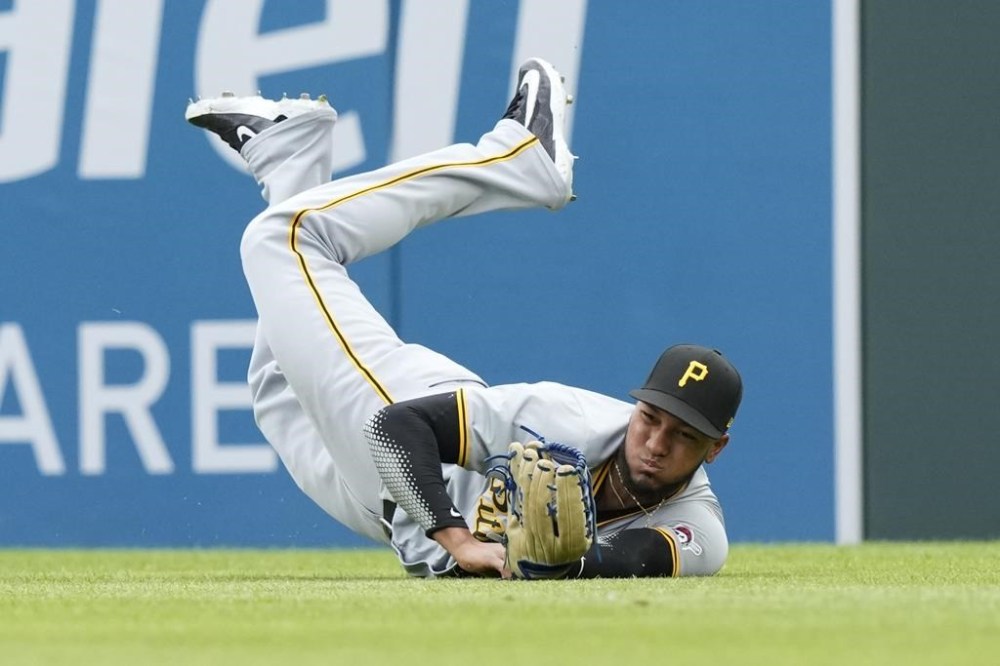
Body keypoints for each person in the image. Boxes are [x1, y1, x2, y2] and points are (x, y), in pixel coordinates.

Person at [186, 57, 743, 579]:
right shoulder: (566, 420)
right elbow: (396, 427)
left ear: (714, 448)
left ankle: (291, 157)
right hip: (396, 416)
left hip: (387, 508)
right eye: (651, 417)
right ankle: (518, 161)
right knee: (283, 239)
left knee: (272, 385)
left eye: (683, 435)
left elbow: (631, 558)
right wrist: (459, 539)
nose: (656, 441)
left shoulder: (700, 527)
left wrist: (566, 561)